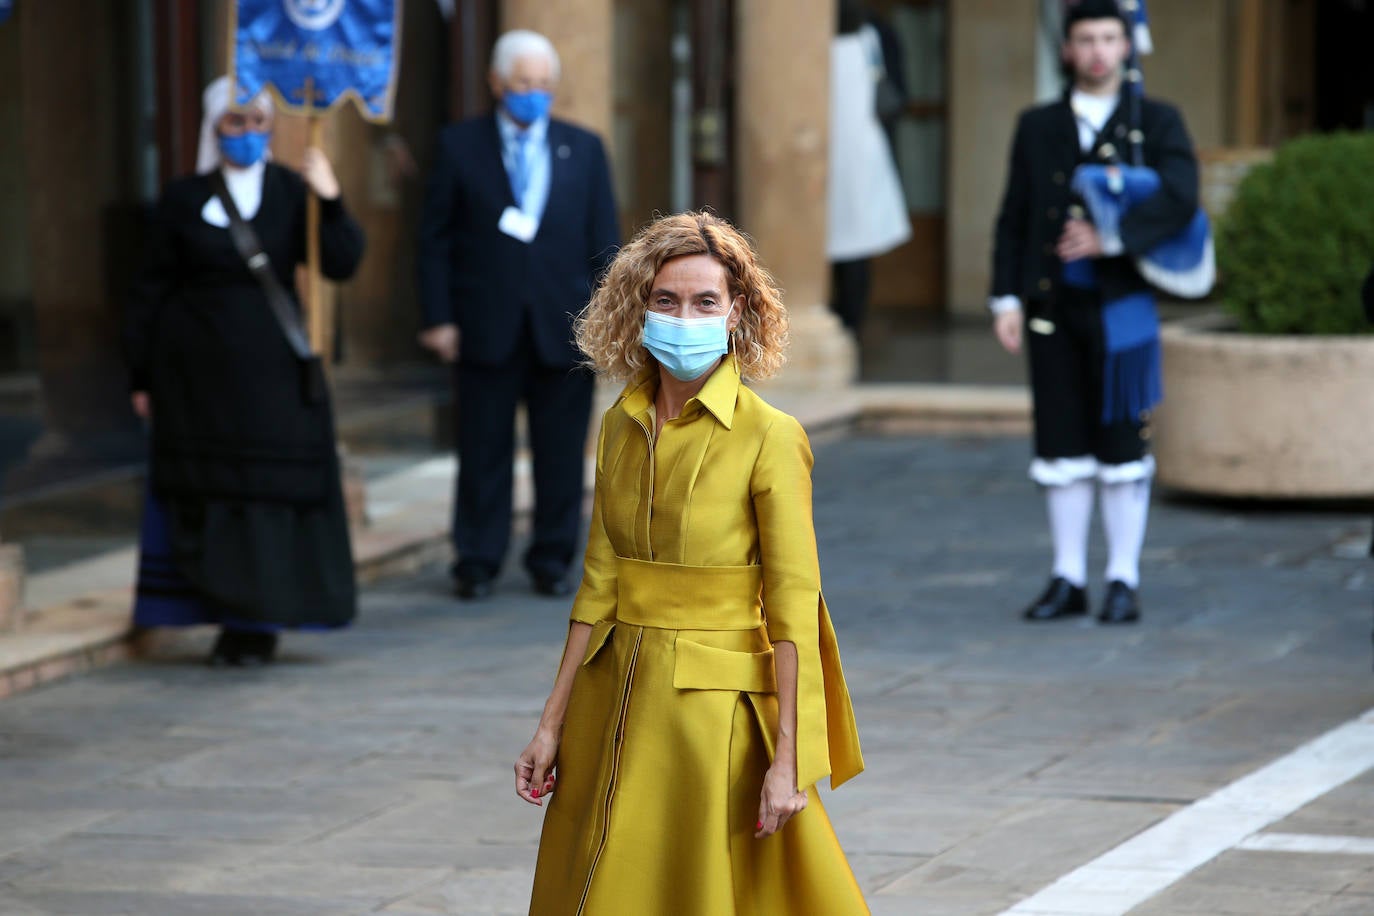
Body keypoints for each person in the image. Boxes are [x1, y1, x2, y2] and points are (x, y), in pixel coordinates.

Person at [514, 212, 868, 914]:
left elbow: (794, 606)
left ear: (737, 311)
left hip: (712, 719)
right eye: (666, 300)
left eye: (706, 301)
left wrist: (789, 761)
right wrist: (551, 723)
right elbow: (598, 585)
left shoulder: (772, 438)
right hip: (610, 698)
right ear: (637, 308)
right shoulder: (619, 424)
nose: (685, 317)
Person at [124, 76, 365, 666]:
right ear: (214, 129)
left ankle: (260, 622)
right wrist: (140, 376)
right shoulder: (182, 198)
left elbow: (342, 260)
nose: (249, 134)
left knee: (266, 496)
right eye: (236, 123)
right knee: (208, 495)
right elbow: (148, 293)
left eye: (260, 123)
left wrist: (330, 197)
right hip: (193, 386)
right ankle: (217, 615)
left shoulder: (291, 190)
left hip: (273, 382)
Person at [990, 0, 1199, 625]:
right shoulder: (1038, 125)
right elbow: (1015, 217)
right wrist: (1006, 297)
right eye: (1086, 39)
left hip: (1123, 309)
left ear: (1129, 45)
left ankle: (1123, 577)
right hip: (1053, 306)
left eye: (1111, 37)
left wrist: (1112, 241)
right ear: (1067, 49)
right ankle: (1068, 576)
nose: (1099, 50)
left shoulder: (1157, 122)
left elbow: (1183, 201)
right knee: (1060, 442)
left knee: (1121, 445)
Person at [417, 30, 620, 601]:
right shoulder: (460, 146)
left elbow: (604, 242)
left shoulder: (583, 147)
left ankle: (552, 559)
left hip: (564, 327)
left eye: (543, 85)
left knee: (561, 453)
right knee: (483, 449)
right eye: (522, 84)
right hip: (484, 324)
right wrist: (439, 318)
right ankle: (477, 559)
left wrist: (607, 323)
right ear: (496, 83)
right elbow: (434, 240)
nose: (533, 94)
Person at [827, 0, 912, 341]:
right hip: (828, 153)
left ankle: (850, 322)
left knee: (855, 246)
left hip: (858, 154)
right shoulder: (867, 33)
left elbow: (895, 96)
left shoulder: (876, 34)